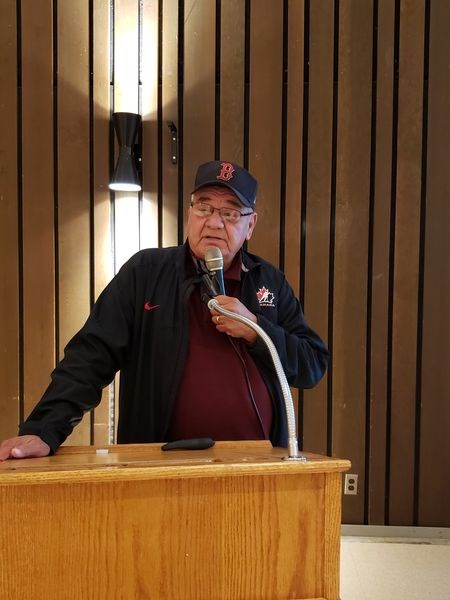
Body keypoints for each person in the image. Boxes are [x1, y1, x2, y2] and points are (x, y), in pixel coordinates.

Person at [0, 160, 328, 462]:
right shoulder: (146, 273)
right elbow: (88, 358)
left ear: (250, 224)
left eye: (229, 213)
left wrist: (256, 329)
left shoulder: (268, 282)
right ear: (190, 212)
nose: (214, 222)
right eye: (204, 207)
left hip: (257, 465)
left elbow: (312, 365)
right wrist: (43, 429)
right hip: (161, 464)